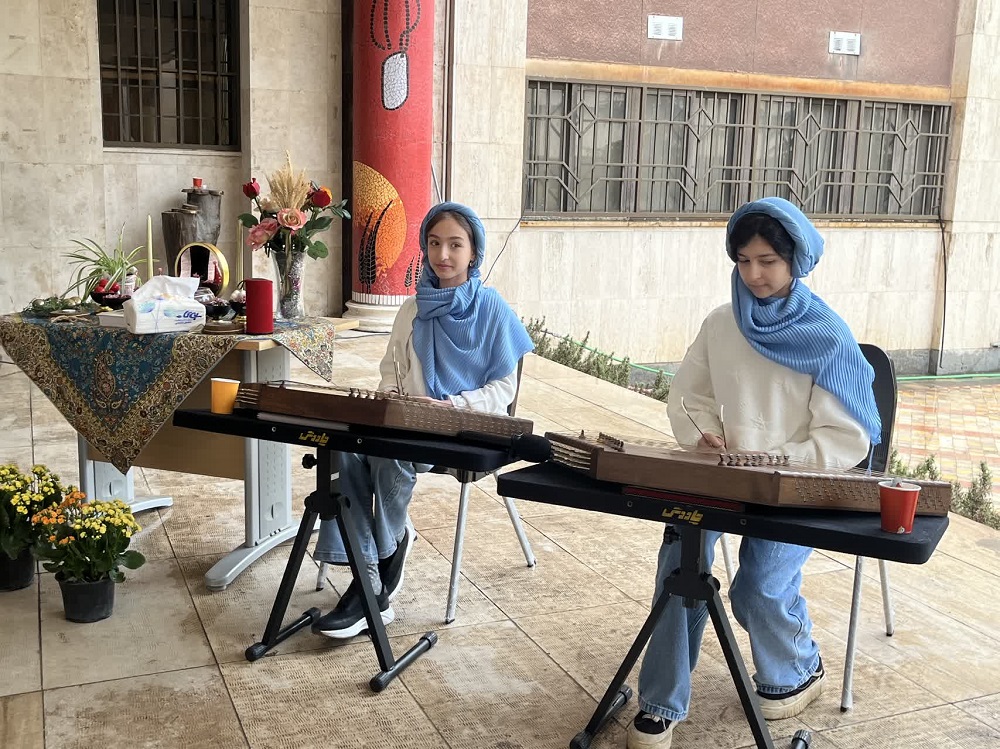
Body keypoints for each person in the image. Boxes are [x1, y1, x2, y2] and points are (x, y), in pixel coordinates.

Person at [627, 198, 882, 748]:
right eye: (743, 261)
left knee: (757, 589)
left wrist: (774, 462)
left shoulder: (828, 336)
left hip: (794, 485)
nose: (754, 274)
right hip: (722, 477)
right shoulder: (722, 324)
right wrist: (703, 435)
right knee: (680, 570)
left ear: (796, 260)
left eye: (768, 261)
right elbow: (690, 397)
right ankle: (660, 703)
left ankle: (799, 667)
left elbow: (847, 437)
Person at [312, 202, 534, 639]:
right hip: (409, 422)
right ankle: (375, 576)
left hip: (464, 429)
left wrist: (453, 406)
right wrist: (392, 399)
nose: (443, 255)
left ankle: (376, 570)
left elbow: (503, 392)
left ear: (474, 252)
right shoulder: (412, 308)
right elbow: (389, 371)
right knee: (345, 449)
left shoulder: (492, 309)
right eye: (434, 243)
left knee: (388, 455)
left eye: (455, 244)